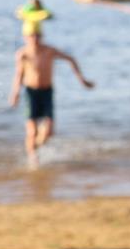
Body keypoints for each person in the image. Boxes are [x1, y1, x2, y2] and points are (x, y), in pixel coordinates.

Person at [9, 21, 94, 166]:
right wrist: (15, 93)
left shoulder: (49, 50)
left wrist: (82, 79)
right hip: (31, 93)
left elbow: (71, 59)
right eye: (31, 36)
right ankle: (33, 159)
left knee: (49, 132)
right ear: (25, 37)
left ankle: (35, 148)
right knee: (32, 131)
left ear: (42, 36)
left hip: (47, 92)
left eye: (37, 35)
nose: (35, 39)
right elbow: (18, 75)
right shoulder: (22, 54)